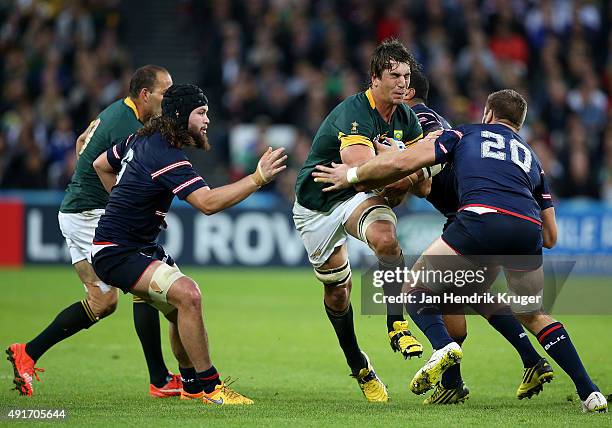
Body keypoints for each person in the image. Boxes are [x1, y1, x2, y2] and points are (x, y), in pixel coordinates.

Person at [313, 89, 607, 413]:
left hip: (478, 219)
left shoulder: (463, 133)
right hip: (527, 230)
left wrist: (353, 173)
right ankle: (589, 392)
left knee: (415, 287)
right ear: (519, 125)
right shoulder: (533, 159)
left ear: (488, 115)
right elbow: (551, 236)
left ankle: (443, 349)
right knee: (530, 313)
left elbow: (410, 163)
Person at [91, 84, 286, 405]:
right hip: (117, 251)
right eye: (201, 112)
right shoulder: (165, 153)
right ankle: (212, 387)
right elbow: (207, 203)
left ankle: (192, 385)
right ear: (181, 116)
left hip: (132, 245)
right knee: (189, 295)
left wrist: (133, 206)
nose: (207, 120)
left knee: (177, 308)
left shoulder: (141, 139)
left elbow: (101, 163)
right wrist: (258, 178)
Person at [6, 65, 180, 398]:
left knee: (102, 302)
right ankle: (159, 380)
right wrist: (135, 209)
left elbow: (82, 142)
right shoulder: (128, 125)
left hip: (80, 211)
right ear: (145, 95)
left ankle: (27, 352)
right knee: (143, 280)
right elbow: (103, 164)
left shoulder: (119, 112)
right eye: (164, 91)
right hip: (88, 214)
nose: (168, 97)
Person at [401, 70, 554, 405]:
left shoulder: (418, 117)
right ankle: (525, 362)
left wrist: (386, 171)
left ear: (410, 92)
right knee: (470, 295)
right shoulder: (434, 120)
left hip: (472, 214)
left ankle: (454, 366)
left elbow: (423, 179)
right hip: (483, 213)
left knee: (428, 294)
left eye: (401, 81)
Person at [293, 39, 429, 403]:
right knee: (338, 295)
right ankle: (360, 365)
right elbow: (363, 171)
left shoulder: (407, 117)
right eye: (394, 76)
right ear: (374, 79)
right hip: (317, 205)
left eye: (406, 76)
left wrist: (398, 164)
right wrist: (405, 162)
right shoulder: (353, 113)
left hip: (354, 195)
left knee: (387, 240)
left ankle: (396, 323)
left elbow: (424, 187)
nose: (402, 83)